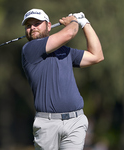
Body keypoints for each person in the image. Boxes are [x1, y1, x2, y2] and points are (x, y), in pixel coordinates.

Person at [21, 8, 104, 150]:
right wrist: (72, 21)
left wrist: (85, 23)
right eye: (29, 25)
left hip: (75, 122)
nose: (32, 27)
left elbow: (97, 56)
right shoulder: (30, 49)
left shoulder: (64, 51)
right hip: (47, 125)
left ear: (48, 26)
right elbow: (70, 32)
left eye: (37, 23)